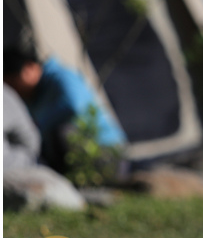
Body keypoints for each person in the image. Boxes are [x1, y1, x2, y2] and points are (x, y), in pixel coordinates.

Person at [3, 46, 128, 179]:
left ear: (30, 68)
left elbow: (73, 105)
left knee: (62, 131)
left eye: (13, 82)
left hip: (107, 154)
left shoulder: (61, 76)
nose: (13, 89)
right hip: (78, 160)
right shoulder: (31, 97)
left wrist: (37, 124)